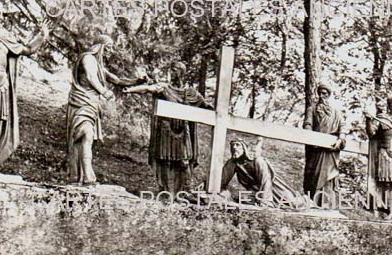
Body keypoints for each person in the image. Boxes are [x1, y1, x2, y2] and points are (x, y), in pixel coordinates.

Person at [0, 0, 49, 173]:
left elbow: (27, 49)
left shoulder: (6, 38)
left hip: (1, 86)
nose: (1, 16)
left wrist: (42, 36)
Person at [123, 61, 212, 196]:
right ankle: (166, 192)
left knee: (185, 161)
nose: (172, 73)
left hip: (183, 131)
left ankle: (185, 191)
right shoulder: (164, 88)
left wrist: (220, 113)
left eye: (175, 70)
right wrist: (130, 90)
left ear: (182, 73)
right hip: (166, 130)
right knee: (167, 162)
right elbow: (148, 88)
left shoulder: (191, 93)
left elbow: (205, 106)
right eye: (171, 70)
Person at [67, 34, 143, 185]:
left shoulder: (99, 66)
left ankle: (78, 176)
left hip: (92, 105)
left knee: (86, 139)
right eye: (108, 47)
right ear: (100, 46)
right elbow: (90, 77)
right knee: (85, 135)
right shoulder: (87, 58)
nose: (109, 51)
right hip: (81, 102)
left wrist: (137, 81)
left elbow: (117, 80)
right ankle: (87, 177)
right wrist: (104, 91)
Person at [220, 138, 307, 209]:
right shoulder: (232, 163)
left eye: (237, 145)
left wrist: (265, 201)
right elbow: (222, 180)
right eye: (232, 145)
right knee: (242, 197)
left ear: (244, 148)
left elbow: (266, 180)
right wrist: (220, 190)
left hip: (273, 188)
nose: (234, 147)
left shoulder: (258, 161)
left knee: (293, 203)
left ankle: (306, 200)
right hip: (256, 191)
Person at [303, 83, 347, 208]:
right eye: (320, 93)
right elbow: (308, 124)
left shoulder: (336, 111)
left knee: (328, 175)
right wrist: (310, 135)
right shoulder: (312, 109)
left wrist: (340, 139)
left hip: (330, 149)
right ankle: (312, 201)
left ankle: (327, 204)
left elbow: (342, 126)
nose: (323, 96)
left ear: (329, 95)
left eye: (325, 93)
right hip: (315, 148)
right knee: (313, 175)